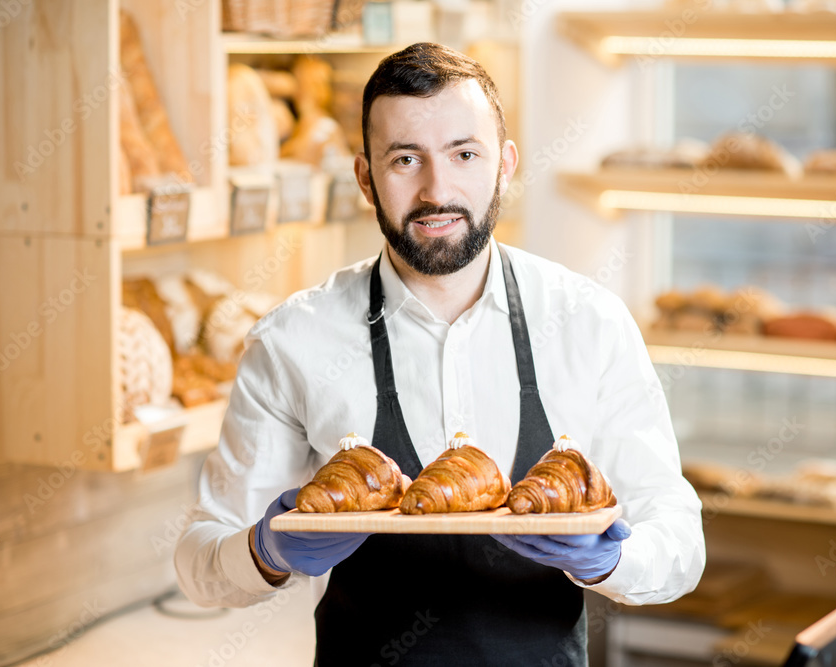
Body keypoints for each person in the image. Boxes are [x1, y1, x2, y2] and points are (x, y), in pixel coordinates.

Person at [175, 42, 705, 666]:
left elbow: (679, 540)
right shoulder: (295, 338)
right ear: (366, 178)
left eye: (464, 154)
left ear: (505, 164)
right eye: (405, 159)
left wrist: (612, 559)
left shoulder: (588, 322)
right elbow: (199, 559)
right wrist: (266, 553)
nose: (437, 189)